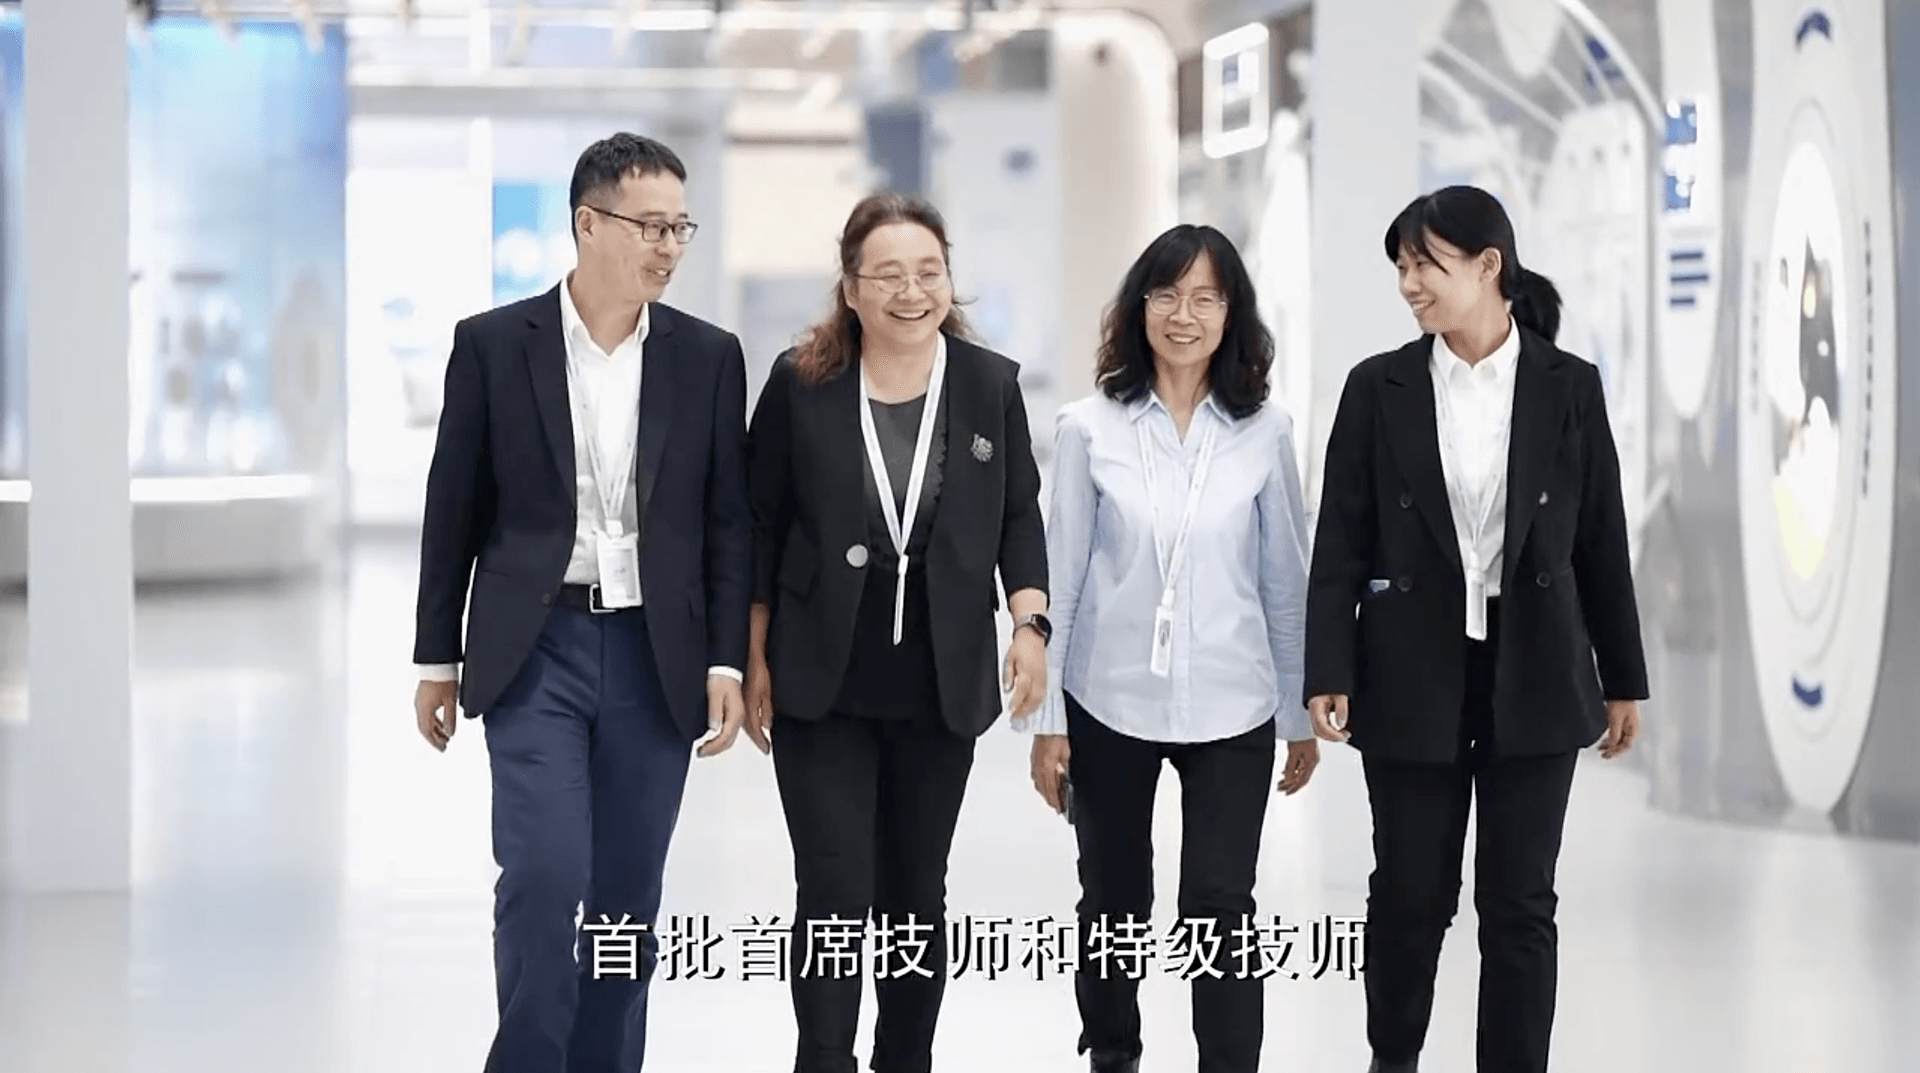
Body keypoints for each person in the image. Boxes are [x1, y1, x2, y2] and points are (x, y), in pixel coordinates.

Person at [411, 133, 752, 1073]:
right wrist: (436, 658)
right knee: (542, 874)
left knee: (626, 901)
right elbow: (452, 509)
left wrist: (727, 658)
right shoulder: (493, 346)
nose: (669, 247)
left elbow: (729, 522)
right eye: (650, 226)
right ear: (587, 223)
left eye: (679, 227)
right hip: (537, 645)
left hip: (655, 652)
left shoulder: (707, 357)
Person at [1303, 185, 1648, 1073]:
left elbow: (1600, 540)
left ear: (1490, 264)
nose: (1409, 284)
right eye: (1402, 267)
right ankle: (1393, 1057)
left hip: (1536, 668)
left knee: (1521, 902)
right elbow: (1340, 540)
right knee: (1409, 894)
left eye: (1427, 264)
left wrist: (1623, 677)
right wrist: (1327, 665)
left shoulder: (1570, 386)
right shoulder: (1377, 387)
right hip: (1409, 669)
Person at [742, 192, 1050, 1073]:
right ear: (850, 288)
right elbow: (759, 524)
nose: (911, 292)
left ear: (948, 279)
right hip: (822, 671)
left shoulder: (989, 385)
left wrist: (1029, 621)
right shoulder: (801, 380)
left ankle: (904, 1058)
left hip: (938, 675)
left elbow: (1019, 514)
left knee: (916, 894)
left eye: (928, 272)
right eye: (887, 275)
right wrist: (753, 653)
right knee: (833, 887)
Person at [1015, 224, 1320, 1073]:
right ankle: (1113, 1050)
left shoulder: (1266, 431)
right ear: (1139, 306)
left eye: (1205, 298)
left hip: (1233, 700)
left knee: (1221, 901)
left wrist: (1296, 712)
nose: (1184, 315)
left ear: (1233, 313)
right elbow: (1062, 577)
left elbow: (1284, 582)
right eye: (1167, 295)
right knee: (1114, 896)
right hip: (1109, 697)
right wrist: (1047, 721)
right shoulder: (1087, 427)